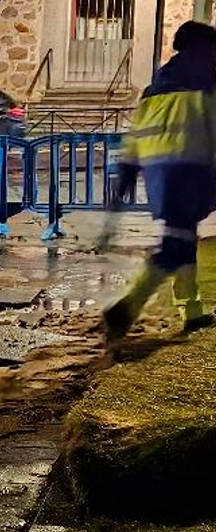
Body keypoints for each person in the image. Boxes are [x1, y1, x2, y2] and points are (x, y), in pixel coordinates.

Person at [105, 21, 216, 341]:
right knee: (173, 248)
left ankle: (192, 309)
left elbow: (135, 141)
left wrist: (122, 186)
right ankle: (126, 307)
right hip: (190, 172)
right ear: (199, 49)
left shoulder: (153, 89)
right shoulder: (205, 83)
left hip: (160, 177)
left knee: (183, 239)